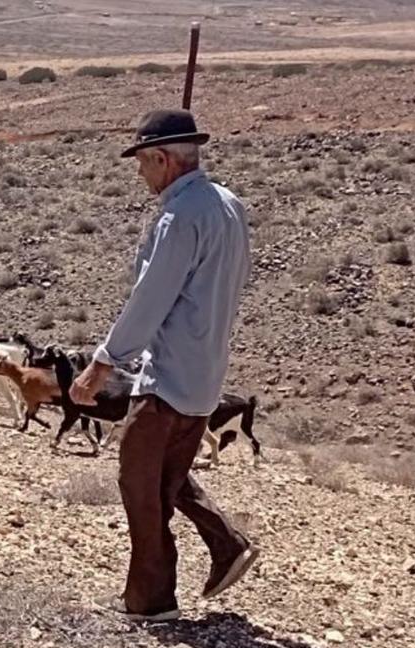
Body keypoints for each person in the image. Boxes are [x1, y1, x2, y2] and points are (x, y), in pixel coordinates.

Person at [71, 109, 259, 622]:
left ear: (162, 158)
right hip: (206, 371)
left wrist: (104, 363)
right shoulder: (228, 204)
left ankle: (150, 602)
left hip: (168, 377)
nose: (139, 174)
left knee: (139, 483)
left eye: (142, 162)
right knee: (165, 482)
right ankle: (226, 547)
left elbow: (150, 298)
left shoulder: (180, 217)